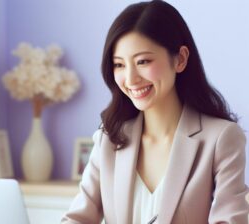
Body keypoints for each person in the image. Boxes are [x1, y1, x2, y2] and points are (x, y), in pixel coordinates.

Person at [61, 0, 249, 223]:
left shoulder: (221, 139)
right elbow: (77, 218)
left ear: (180, 59)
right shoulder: (109, 138)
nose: (130, 79)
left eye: (143, 61)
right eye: (119, 64)